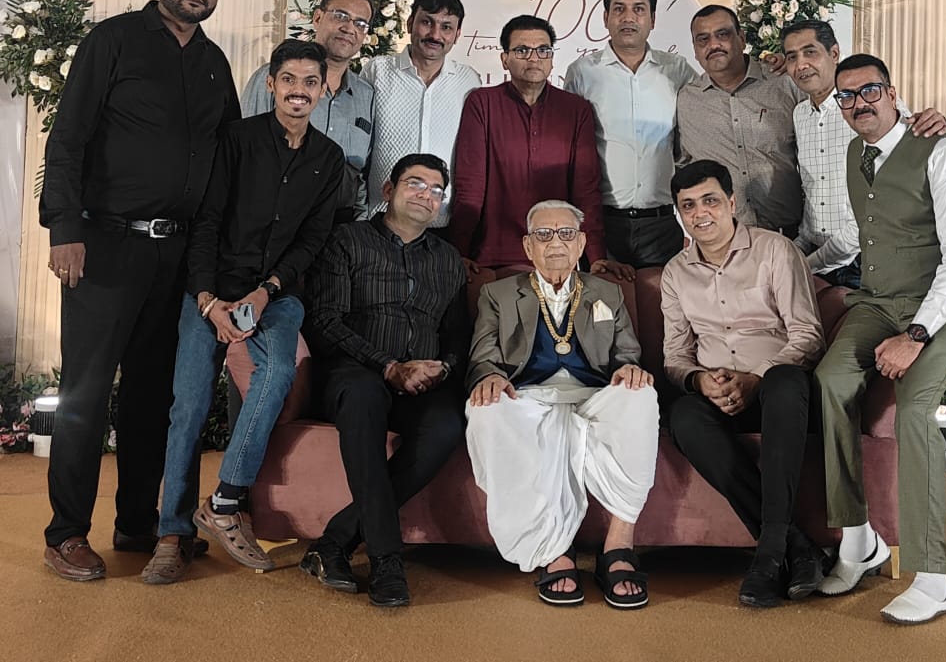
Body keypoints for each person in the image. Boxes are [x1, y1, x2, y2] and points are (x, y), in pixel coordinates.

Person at [39, 0, 240, 581]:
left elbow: (226, 161)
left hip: (176, 256)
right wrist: (64, 226)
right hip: (103, 245)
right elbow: (68, 136)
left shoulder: (214, 64)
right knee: (86, 393)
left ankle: (135, 523)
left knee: (151, 397)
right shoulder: (113, 40)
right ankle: (66, 533)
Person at [140, 39, 343, 584]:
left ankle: (225, 502)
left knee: (277, 371)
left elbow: (312, 240)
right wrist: (209, 301)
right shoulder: (236, 140)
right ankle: (172, 534)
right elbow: (206, 221)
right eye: (289, 80)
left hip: (275, 294)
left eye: (310, 82)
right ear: (271, 84)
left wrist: (266, 291)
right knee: (189, 406)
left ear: (323, 90)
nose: (299, 91)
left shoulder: (328, 159)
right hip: (209, 289)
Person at [813, 54, 946, 624]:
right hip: (878, 304)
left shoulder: (943, 151)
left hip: (942, 310)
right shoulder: (855, 154)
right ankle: (858, 539)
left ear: (892, 91)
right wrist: (795, 265)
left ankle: (932, 578)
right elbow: (860, 235)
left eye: (870, 91)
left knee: (916, 412)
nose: (859, 103)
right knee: (830, 382)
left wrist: (916, 335)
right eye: (847, 96)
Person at [465, 201, 659, 609]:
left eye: (566, 233)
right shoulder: (498, 293)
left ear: (582, 243)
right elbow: (483, 356)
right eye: (544, 234)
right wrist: (489, 376)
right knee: (485, 408)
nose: (556, 242)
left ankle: (619, 545)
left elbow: (627, 354)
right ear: (528, 246)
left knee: (642, 396)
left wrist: (629, 370)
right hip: (527, 398)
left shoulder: (607, 292)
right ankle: (554, 550)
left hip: (594, 396)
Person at [301, 154, 469, 606]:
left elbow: (458, 335)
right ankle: (386, 559)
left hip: (421, 381)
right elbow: (326, 320)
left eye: (436, 190)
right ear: (388, 190)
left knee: (447, 425)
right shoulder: (347, 240)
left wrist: (442, 368)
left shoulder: (448, 259)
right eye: (415, 183)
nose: (426, 195)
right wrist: (388, 366)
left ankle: (334, 541)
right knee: (363, 396)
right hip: (356, 373)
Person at [662, 160, 825, 608]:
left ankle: (767, 555)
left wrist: (757, 378)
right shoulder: (676, 273)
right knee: (683, 415)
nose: (700, 213)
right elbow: (675, 356)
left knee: (786, 383)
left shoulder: (775, 251)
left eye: (710, 201)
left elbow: (808, 335)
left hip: (777, 392)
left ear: (732, 203)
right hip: (719, 396)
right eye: (688, 206)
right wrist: (700, 381)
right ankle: (797, 547)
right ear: (679, 213)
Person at [449, 14, 630, 280]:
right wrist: (458, 252)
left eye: (543, 50)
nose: (534, 58)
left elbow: (586, 190)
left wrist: (595, 256)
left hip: (558, 254)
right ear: (504, 59)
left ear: (552, 58)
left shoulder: (576, 110)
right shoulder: (483, 103)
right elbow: (470, 185)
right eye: (522, 50)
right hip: (493, 255)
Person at [782, 20, 946, 288]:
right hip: (815, 254)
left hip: (863, 258)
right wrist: (800, 248)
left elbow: (924, 141)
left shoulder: (871, 106)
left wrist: (943, 125)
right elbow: (811, 186)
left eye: (810, 52)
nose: (801, 64)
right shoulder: (800, 114)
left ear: (834, 53)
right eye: (792, 57)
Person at [563, 0, 695, 268]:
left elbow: (701, 121)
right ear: (606, 17)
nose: (628, 18)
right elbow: (569, 146)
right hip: (601, 223)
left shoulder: (677, 70)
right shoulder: (582, 72)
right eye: (619, 9)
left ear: (653, 19)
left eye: (639, 9)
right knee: (602, 297)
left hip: (662, 224)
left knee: (664, 298)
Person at [241, 0, 376, 220]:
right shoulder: (273, 78)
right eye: (341, 16)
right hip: (276, 219)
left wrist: (359, 227)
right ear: (317, 18)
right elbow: (245, 154)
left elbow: (361, 176)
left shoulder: (366, 95)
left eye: (360, 23)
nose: (349, 28)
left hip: (340, 226)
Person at [676, 4, 803, 237]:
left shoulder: (783, 83)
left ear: (742, 39)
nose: (713, 45)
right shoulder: (686, 100)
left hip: (789, 235)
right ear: (695, 49)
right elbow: (683, 167)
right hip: (724, 241)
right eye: (703, 39)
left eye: (722, 34)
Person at [359, 0, 480, 228]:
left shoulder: (469, 81)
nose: (435, 34)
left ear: (457, 35)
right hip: (381, 217)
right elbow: (361, 145)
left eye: (446, 27)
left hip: (441, 220)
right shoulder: (377, 71)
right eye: (427, 22)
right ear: (410, 23)